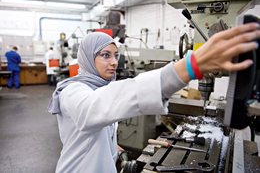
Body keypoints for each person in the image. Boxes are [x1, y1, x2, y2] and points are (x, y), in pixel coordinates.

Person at [48, 23, 260, 173]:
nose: (114, 62)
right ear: (87, 58)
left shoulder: (102, 86)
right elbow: (95, 109)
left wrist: (112, 147)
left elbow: (99, 122)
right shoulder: (71, 91)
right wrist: (188, 67)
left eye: (115, 55)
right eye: (105, 55)